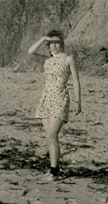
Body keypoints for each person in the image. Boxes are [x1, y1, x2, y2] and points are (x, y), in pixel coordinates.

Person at [28, 29, 81, 180]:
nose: (54, 46)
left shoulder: (69, 59)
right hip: (46, 99)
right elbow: (30, 52)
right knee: (50, 137)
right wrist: (43, 38)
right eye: (51, 43)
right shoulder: (47, 60)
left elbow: (76, 81)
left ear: (62, 43)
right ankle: (54, 169)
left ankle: (54, 173)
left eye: (57, 43)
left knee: (52, 135)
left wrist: (78, 102)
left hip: (60, 98)